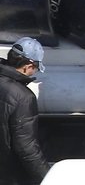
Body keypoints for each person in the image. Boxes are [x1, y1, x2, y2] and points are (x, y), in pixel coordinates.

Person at [0, 37, 48, 185]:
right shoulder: (24, 97)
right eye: (35, 68)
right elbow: (26, 148)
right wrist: (48, 177)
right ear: (28, 65)